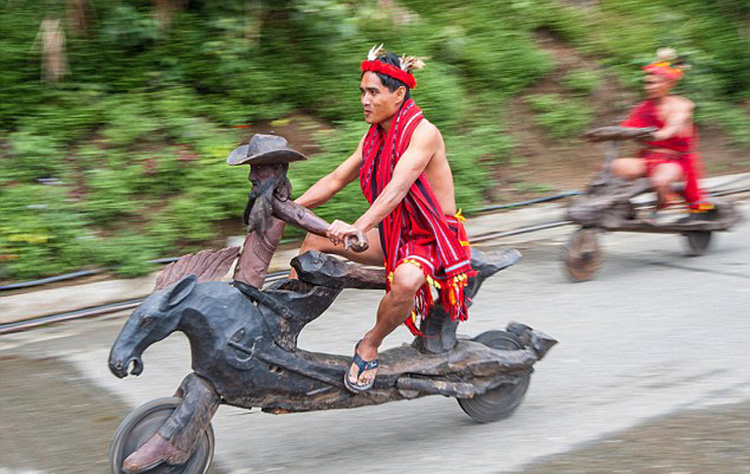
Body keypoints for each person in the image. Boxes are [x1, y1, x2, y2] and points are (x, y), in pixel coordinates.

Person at [293, 45, 474, 393]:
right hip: (394, 233)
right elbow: (334, 181)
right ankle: (283, 317)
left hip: (430, 238)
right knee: (315, 240)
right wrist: (284, 207)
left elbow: (396, 189)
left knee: (406, 280)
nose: (365, 100)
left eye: (373, 92)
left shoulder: (424, 134)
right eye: (362, 91)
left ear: (399, 93)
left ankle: (370, 343)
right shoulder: (373, 136)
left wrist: (357, 227)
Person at [612, 48, 711, 216]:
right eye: (647, 83)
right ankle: (623, 206)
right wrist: (614, 132)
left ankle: (669, 201)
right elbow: (628, 127)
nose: (648, 87)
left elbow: (673, 126)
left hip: (675, 161)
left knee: (660, 180)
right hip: (647, 159)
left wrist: (659, 134)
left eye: (653, 83)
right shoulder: (643, 107)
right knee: (611, 168)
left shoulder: (682, 105)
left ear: (668, 84)